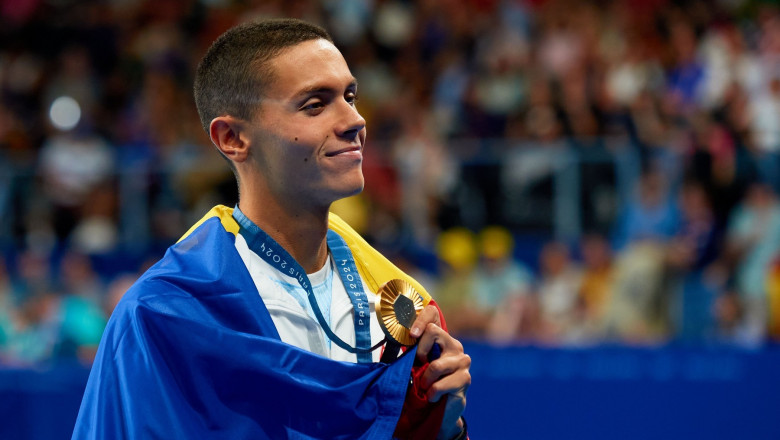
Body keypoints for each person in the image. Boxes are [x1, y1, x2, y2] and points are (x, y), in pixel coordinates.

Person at [71, 18, 470, 440]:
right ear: (232, 139)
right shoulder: (161, 317)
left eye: (350, 96)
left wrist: (443, 432)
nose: (354, 120)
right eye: (315, 104)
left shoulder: (396, 305)